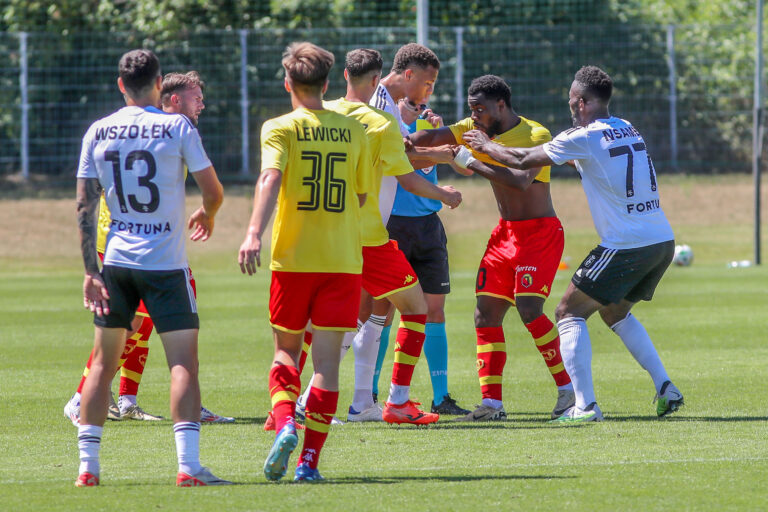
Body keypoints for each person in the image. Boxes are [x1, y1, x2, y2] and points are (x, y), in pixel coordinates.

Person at [460, 65, 684, 422]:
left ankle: (584, 406)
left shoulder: (582, 136)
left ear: (581, 102)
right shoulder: (628, 127)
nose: (569, 106)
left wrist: (484, 146)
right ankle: (665, 386)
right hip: (662, 239)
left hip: (625, 244)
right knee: (615, 312)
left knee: (568, 312)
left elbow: (520, 161)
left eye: (569, 100)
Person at [75, 49, 229, 487]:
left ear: (121, 85)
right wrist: (208, 213)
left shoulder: (97, 130)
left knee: (103, 365)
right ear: (159, 84)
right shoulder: (176, 126)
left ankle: (88, 467)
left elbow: (85, 207)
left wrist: (91, 270)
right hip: (165, 264)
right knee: (183, 364)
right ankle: (188, 466)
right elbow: (213, 191)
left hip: (116, 262)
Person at [292, 48, 462, 425]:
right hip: (369, 233)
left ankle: (351, 404)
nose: (428, 91)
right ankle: (386, 402)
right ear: (382, 78)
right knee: (415, 309)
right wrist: (444, 173)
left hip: (324, 231)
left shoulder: (328, 112)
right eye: (428, 82)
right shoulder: (379, 117)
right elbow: (404, 167)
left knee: (352, 315)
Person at [238, 42, 372, 482]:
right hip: (342, 261)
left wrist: (254, 232)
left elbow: (270, 177)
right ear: (328, 84)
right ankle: (309, 464)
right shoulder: (354, 130)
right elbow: (360, 194)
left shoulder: (278, 127)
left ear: (287, 83)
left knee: (286, 352)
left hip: (293, 260)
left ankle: (285, 423)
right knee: (328, 366)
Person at [409, 75, 575, 421]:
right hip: (505, 235)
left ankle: (568, 391)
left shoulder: (536, 134)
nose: (476, 117)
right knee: (485, 312)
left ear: (501, 105)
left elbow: (520, 179)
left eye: (481, 110)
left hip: (540, 233)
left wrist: (474, 159)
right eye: (472, 111)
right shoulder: (475, 126)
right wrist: (406, 123)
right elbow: (429, 138)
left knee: (530, 309)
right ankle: (491, 404)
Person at [369, 97, 470, 416]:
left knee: (434, 311)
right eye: (411, 101)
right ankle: (368, 395)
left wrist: (444, 139)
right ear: (394, 98)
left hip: (428, 226)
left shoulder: (430, 129)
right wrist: (433, 150)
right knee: (382, 311)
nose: (418, 106)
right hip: (393, 225)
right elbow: (401, 162)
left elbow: (462, 168)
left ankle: (441, 396)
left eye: (423, 100)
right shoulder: (387, 128)